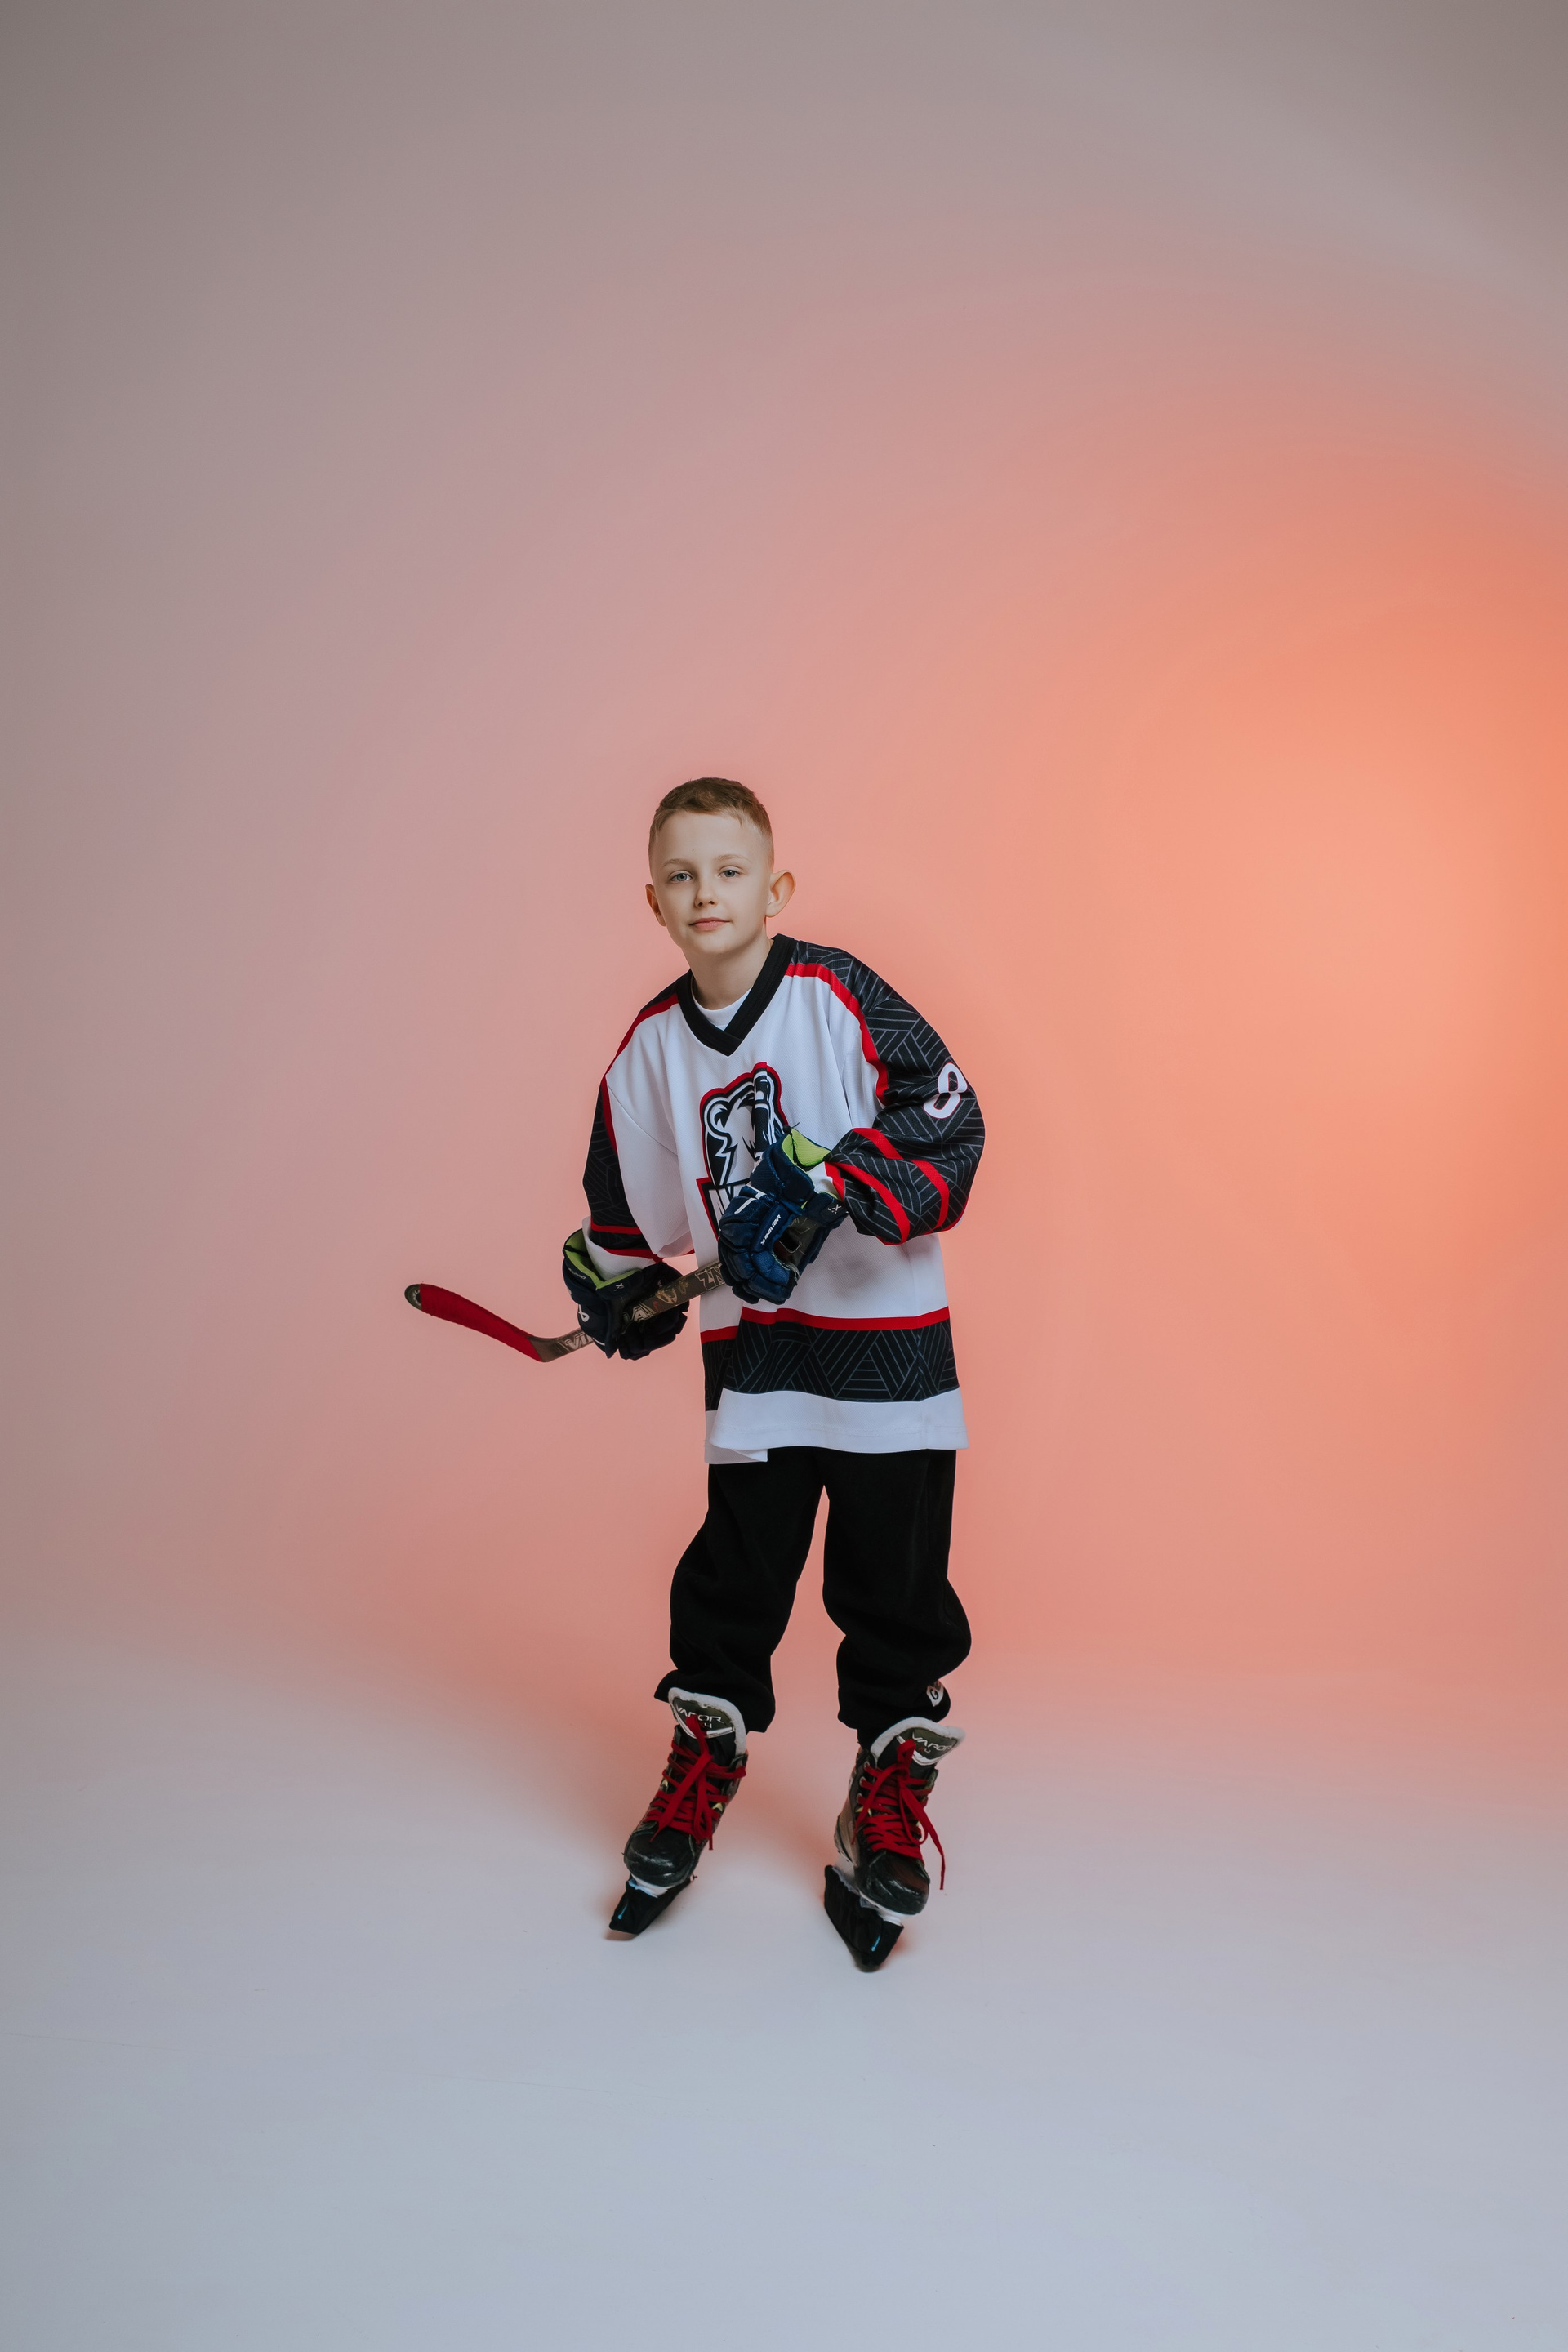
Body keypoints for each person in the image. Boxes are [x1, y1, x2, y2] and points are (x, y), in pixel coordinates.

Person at [562, 777, 984, 1968]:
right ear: (655, 901)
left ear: (775, 887)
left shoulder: (836, 993)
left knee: (895, 1588)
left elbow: (949, 1120)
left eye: (730, 870)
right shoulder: (650, 1052)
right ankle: (702, 1764)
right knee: (735, 1579)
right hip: (760, 1367)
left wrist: (833, 1187)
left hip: (893, 1361)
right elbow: (629, 1219)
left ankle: (883, 1795)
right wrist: (618, 1290)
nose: (708, 892)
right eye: (682, 875)